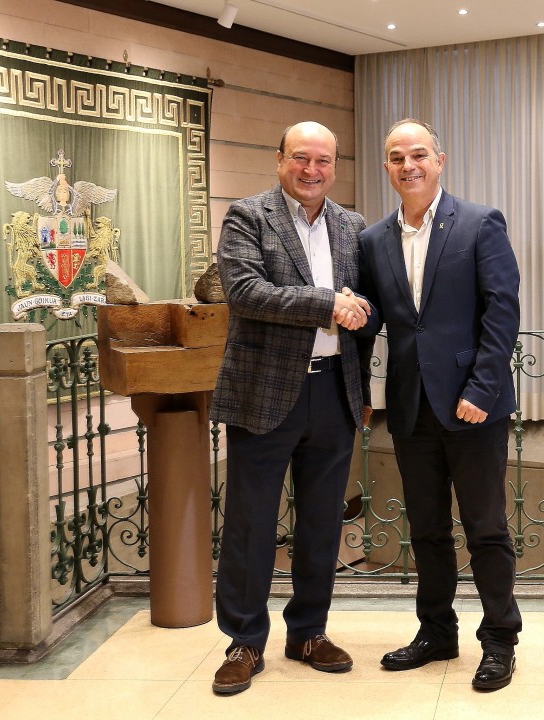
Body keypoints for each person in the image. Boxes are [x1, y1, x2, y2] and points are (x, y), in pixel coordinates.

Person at [356, 118, 522, 691]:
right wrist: (359, 376)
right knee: (426, 530)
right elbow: (374, 320)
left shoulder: (480, 222)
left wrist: (481, 389)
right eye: (397, 157)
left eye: (419, 154)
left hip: (474, 407)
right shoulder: (373, 240)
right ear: (387, 168)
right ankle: (436, 633)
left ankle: (499, 640)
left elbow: (502, 311)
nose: (409, 165)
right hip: (411, 408)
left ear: (440, 160)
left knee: (486, 528)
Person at [210, 121, 373, 696]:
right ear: (279, 159)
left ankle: (308, 632)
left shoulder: (352, 226)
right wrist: (329, 304)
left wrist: (362, 382)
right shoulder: (247, 216)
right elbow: (246, 293)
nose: (311, 170)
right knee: (251, 523)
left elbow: (364, 306)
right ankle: (244, 641)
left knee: (323, 522)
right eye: (301, 158)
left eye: (323, 161)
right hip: (264, 392)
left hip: (333, 393)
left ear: (335, 167)